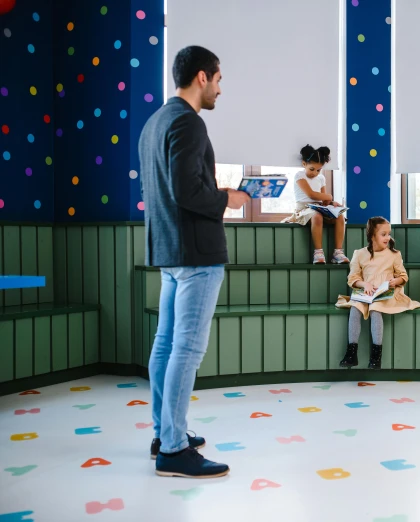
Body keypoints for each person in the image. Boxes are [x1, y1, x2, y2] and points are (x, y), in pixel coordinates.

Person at [139, 45, 250, 478]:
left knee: (166, 345)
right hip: (197, 253)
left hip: (168, 249)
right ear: (202, 77)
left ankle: (165, 432)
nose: (220, 89)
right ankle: (173, 449)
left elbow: (170, 190)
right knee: (186, 348)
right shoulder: (189, 124)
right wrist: (231, 197)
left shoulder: (155, 123)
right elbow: (189, 193)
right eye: (219, 80)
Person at [336, 217, 420, 369]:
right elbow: (352, 278)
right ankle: (351, 353)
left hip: (385, 293)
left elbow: (403, 276)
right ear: (372, 236)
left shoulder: (394, 254)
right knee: (355, 309)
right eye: (383, 234)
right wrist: (365, 284)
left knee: (376, 310)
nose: (388, 237)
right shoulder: (360, 254)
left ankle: (376, 356)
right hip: (366, 292)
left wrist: (396, 281)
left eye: (389, 234)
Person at [284, 145, 349, 264]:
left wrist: (331, 202)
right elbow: (311, 194)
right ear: (304, 164)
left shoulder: (321, 178)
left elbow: (324, 200)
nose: (315, 173)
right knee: (317, 216)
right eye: (312, 169)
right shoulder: (300, 176)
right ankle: (318, 252)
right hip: (304, 208)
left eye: (318, 170)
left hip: (319, 207)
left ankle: (338, 252)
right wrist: (329, 196)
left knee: (340, 217)